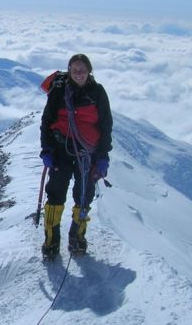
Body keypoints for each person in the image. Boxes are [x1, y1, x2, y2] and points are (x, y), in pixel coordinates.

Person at [39, 54, 113, 257]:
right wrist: (46, 150)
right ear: (69, 71)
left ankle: (77, 237)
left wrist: (103, 155)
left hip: (87, 153)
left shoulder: (97, 92)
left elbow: (106, 125)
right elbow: (47, 121)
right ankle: (51, 242)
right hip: (61, 151)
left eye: (82, 70)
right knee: (55, 195)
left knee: (84, 196)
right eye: (75, 70)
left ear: (89, 71)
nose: (78, 74)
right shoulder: (59, 91)